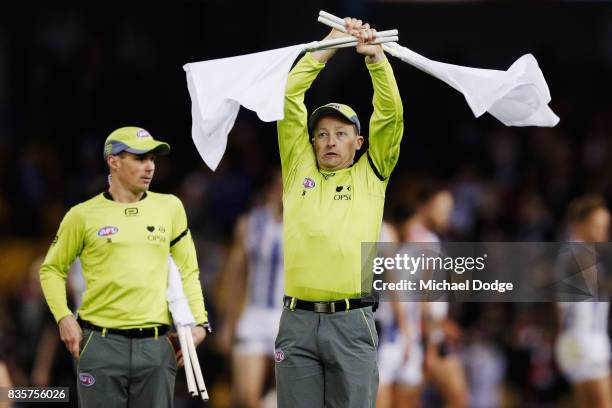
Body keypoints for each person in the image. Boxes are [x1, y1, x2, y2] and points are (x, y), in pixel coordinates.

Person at [274, 17, 403, 407]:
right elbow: (287, 97)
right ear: (311, 141)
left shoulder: (372, 172)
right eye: (322, 134)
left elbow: (391, 116)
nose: (331, 141)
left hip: (352, 322)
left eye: (342, 133)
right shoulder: (298, 168)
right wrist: (327, 45)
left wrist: (377, 62)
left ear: (359, 142)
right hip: (296, 322)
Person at [39, 127, 211, 407]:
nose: (150, 166)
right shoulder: (82, 215)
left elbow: (187, 270)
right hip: (100, 344)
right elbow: (51, 269)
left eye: (152, 159)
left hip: (155, 346)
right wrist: (64, 318)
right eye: (140, 158)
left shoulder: (171, 207)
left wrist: (200, 322)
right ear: (113, 161)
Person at [398, 183, 468, 408]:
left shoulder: (422, 238)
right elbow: (421, 297)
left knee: (456, 395)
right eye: (443, 208)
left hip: (427, 333)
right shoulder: (421, 241)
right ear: (425, 206)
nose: (448, 215)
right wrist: (432, 336)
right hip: (421, 334)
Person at [217, 172, 284, 408]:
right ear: (271, 189)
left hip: (287, 319)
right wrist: (228, 322)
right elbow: (237, 276)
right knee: (245, 397)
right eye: (279, 186)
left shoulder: (305, 227)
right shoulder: (251, 223)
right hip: (255, 314)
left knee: (288, 397)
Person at [555, 194, 611, 408]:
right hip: (588, 343)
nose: (603, 232)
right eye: (597, 225)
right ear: (579, 224)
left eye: (606, 226)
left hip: (572, 342)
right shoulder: (581, 253)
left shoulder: (567, 252)